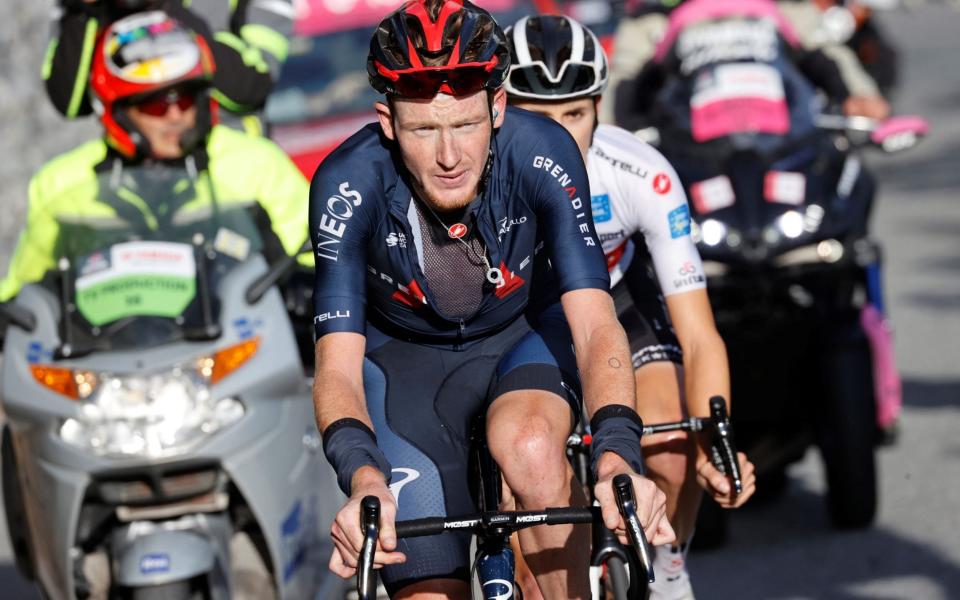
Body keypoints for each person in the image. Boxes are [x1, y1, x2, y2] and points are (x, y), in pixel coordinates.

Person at [310, 0, 675, 597]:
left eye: (466, 125)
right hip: (405, 366)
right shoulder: (346, 184)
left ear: (498, 107)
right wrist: (364, 478)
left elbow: (594, 323)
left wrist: (616, 454)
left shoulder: (544, 152)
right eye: (424, 129)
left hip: (523, 336)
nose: (449, 156)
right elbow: (337, 368)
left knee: (531, 451)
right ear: (387, 121)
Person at [504, 14, 756, 599]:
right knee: (529, 500)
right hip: (522, 315)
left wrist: (716, 440)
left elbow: (699, 335)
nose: (561, 138)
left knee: (670, 444)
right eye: (538, 119)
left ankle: (667, 566)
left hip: (616, 302)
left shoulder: (641, 174)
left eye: (575, 114)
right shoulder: (479, 177)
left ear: (599, 107)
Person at [0, 11, 310, 304]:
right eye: (155, 105)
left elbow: (320, 255)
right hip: (107, 354)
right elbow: (23, 295)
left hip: (243, 348)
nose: (175, 116)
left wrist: (304, 284)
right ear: (117, 113)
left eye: (186, 99)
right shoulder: (60, 183)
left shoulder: (255, 164)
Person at [601, 0, 890, 128]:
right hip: (687, 160)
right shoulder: (652, 19)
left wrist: (861, 96)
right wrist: (603, 136)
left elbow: (825, 52)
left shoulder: (784, 8)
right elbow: (621, 80)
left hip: (782, 146)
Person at [44, 0, 294, 135]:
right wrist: (84, 11)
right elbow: (69, 102)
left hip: (233, 171)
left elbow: (251, 86)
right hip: (136, 176)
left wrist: (163, 7)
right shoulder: (80, 8)